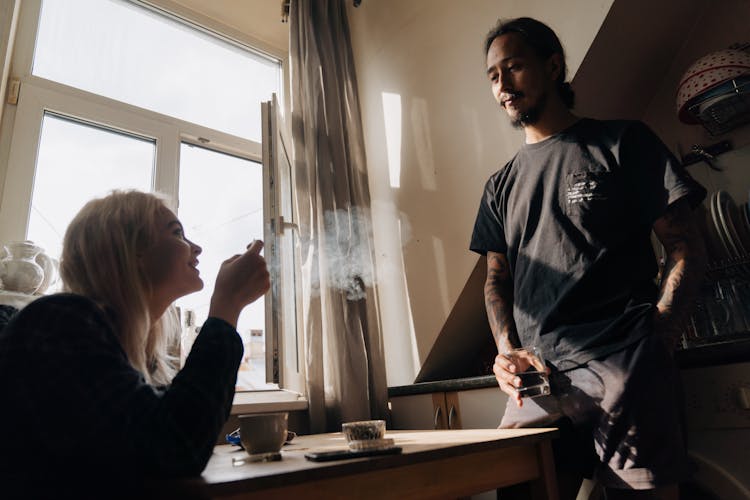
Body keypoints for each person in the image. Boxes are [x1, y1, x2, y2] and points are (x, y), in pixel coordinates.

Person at [470, 17, 707, 500]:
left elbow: (684, 244)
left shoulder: (623, 142)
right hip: (538, 379)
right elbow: (497, 279)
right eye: (493, 76)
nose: (503, 87)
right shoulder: (499, 185)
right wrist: (504, 348)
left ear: (553, 66)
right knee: (514, 485)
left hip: (624, 366)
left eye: (513, 68)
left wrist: (661, 335)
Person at [0, 190, 270, 497]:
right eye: (177, 233)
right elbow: (174, 447)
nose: (197, 248)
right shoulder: (57, 322)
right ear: (130, 251)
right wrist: (226, 308)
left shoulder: (124, 346)